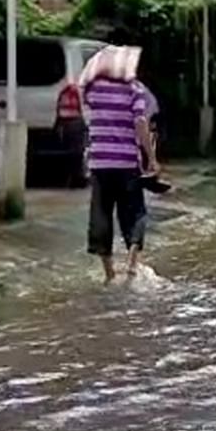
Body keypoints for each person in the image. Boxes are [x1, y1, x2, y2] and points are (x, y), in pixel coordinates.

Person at [82, 46, 158, 282]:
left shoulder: (92, 90)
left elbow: (84, 104)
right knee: (134, 213)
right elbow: (140, 122)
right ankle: (132, 264)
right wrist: (152, 158)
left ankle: (109, 273)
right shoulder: (134, 89)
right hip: (126, 163)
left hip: (100, 164)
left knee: (101, 215)